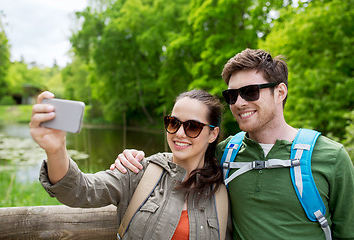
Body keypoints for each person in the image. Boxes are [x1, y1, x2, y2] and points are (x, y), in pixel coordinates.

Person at [111, 49, 354, 239]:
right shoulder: (223, 152)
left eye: (250, 91)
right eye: (232, 95)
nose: (238, 103)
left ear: (280, 92)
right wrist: (133, 159)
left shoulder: (331, 157)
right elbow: (178, 156)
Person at [29, 90, 232, 240]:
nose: (179, 133)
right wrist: (56, 150)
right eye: (173, 123)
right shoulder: (137, 171)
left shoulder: (223, 190)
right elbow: (79, 190)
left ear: (213, 134)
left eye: (193, 126)